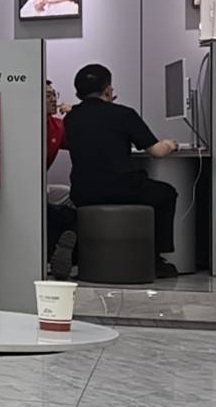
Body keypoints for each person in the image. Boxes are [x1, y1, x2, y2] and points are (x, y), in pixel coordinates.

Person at [64, 64, 181, 279]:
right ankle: (155, 258)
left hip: (82, 192)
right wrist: (170, 144)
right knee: (166, 193)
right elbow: (157, 152)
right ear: (108, 89)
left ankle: (76, 250)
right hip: (121, 188)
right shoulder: (123, 114)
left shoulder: (71, 118)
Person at [43, 80, 77, 279]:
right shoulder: (24, 123)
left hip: (41, 186)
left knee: (74, 197)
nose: (53, 99)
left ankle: (63, 253)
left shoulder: (57, 125)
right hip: (24, 187)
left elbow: (81, 140)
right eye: (47, 95)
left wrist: (77, 114)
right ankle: (49, 256)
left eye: (54, 94)